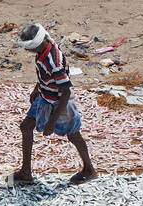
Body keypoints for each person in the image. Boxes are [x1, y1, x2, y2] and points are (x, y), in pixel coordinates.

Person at [13, 23, 96, 186]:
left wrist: (51, 121)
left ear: (35, 45)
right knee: (26, 127)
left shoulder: (53, 61)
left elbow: (65, 92)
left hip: (60, 103)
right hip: (45, 97)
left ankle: (89, 169)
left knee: (73, 135)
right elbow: (44, 74)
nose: (26, 51)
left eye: (27, 48)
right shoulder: (44, 50)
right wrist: (38, 88)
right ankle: (26, 172)